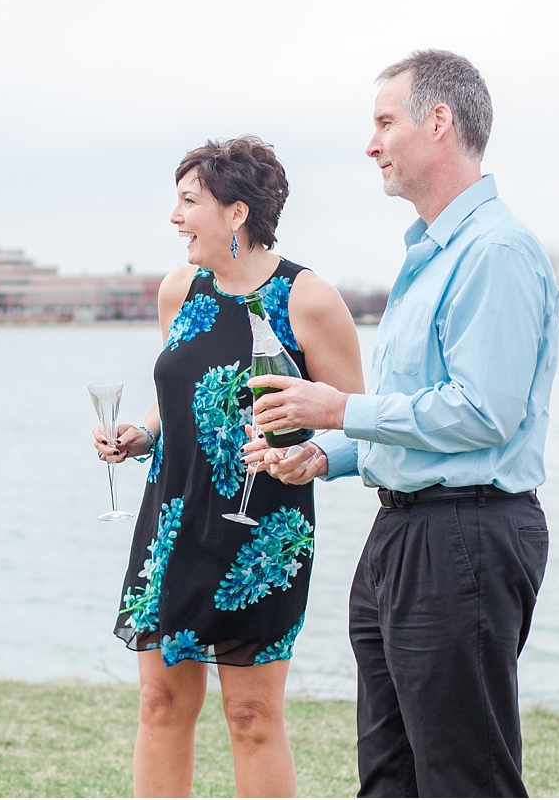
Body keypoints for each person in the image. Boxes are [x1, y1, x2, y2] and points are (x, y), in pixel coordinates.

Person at [246, 50, 559, 798]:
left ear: (440, 123)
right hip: (403, 536)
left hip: (465, 538)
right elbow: (419, 412)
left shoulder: (496, 252)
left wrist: (338, 408)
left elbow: (483, 414)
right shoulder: (428, 257)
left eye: (385, 122)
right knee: (390, 778)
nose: (372, 143)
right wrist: (330, 455)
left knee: (464, 781)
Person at [93, 136, 364, 798]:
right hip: (172, 523)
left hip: (262, 534)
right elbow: (177, 395)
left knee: (251, 717)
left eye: (189, 201)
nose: (175, 217)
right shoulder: (179, 289)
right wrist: (140, 434)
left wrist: (312, 455)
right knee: (160, 703)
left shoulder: (308, 299)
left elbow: (360, 418)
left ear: (236, 213)